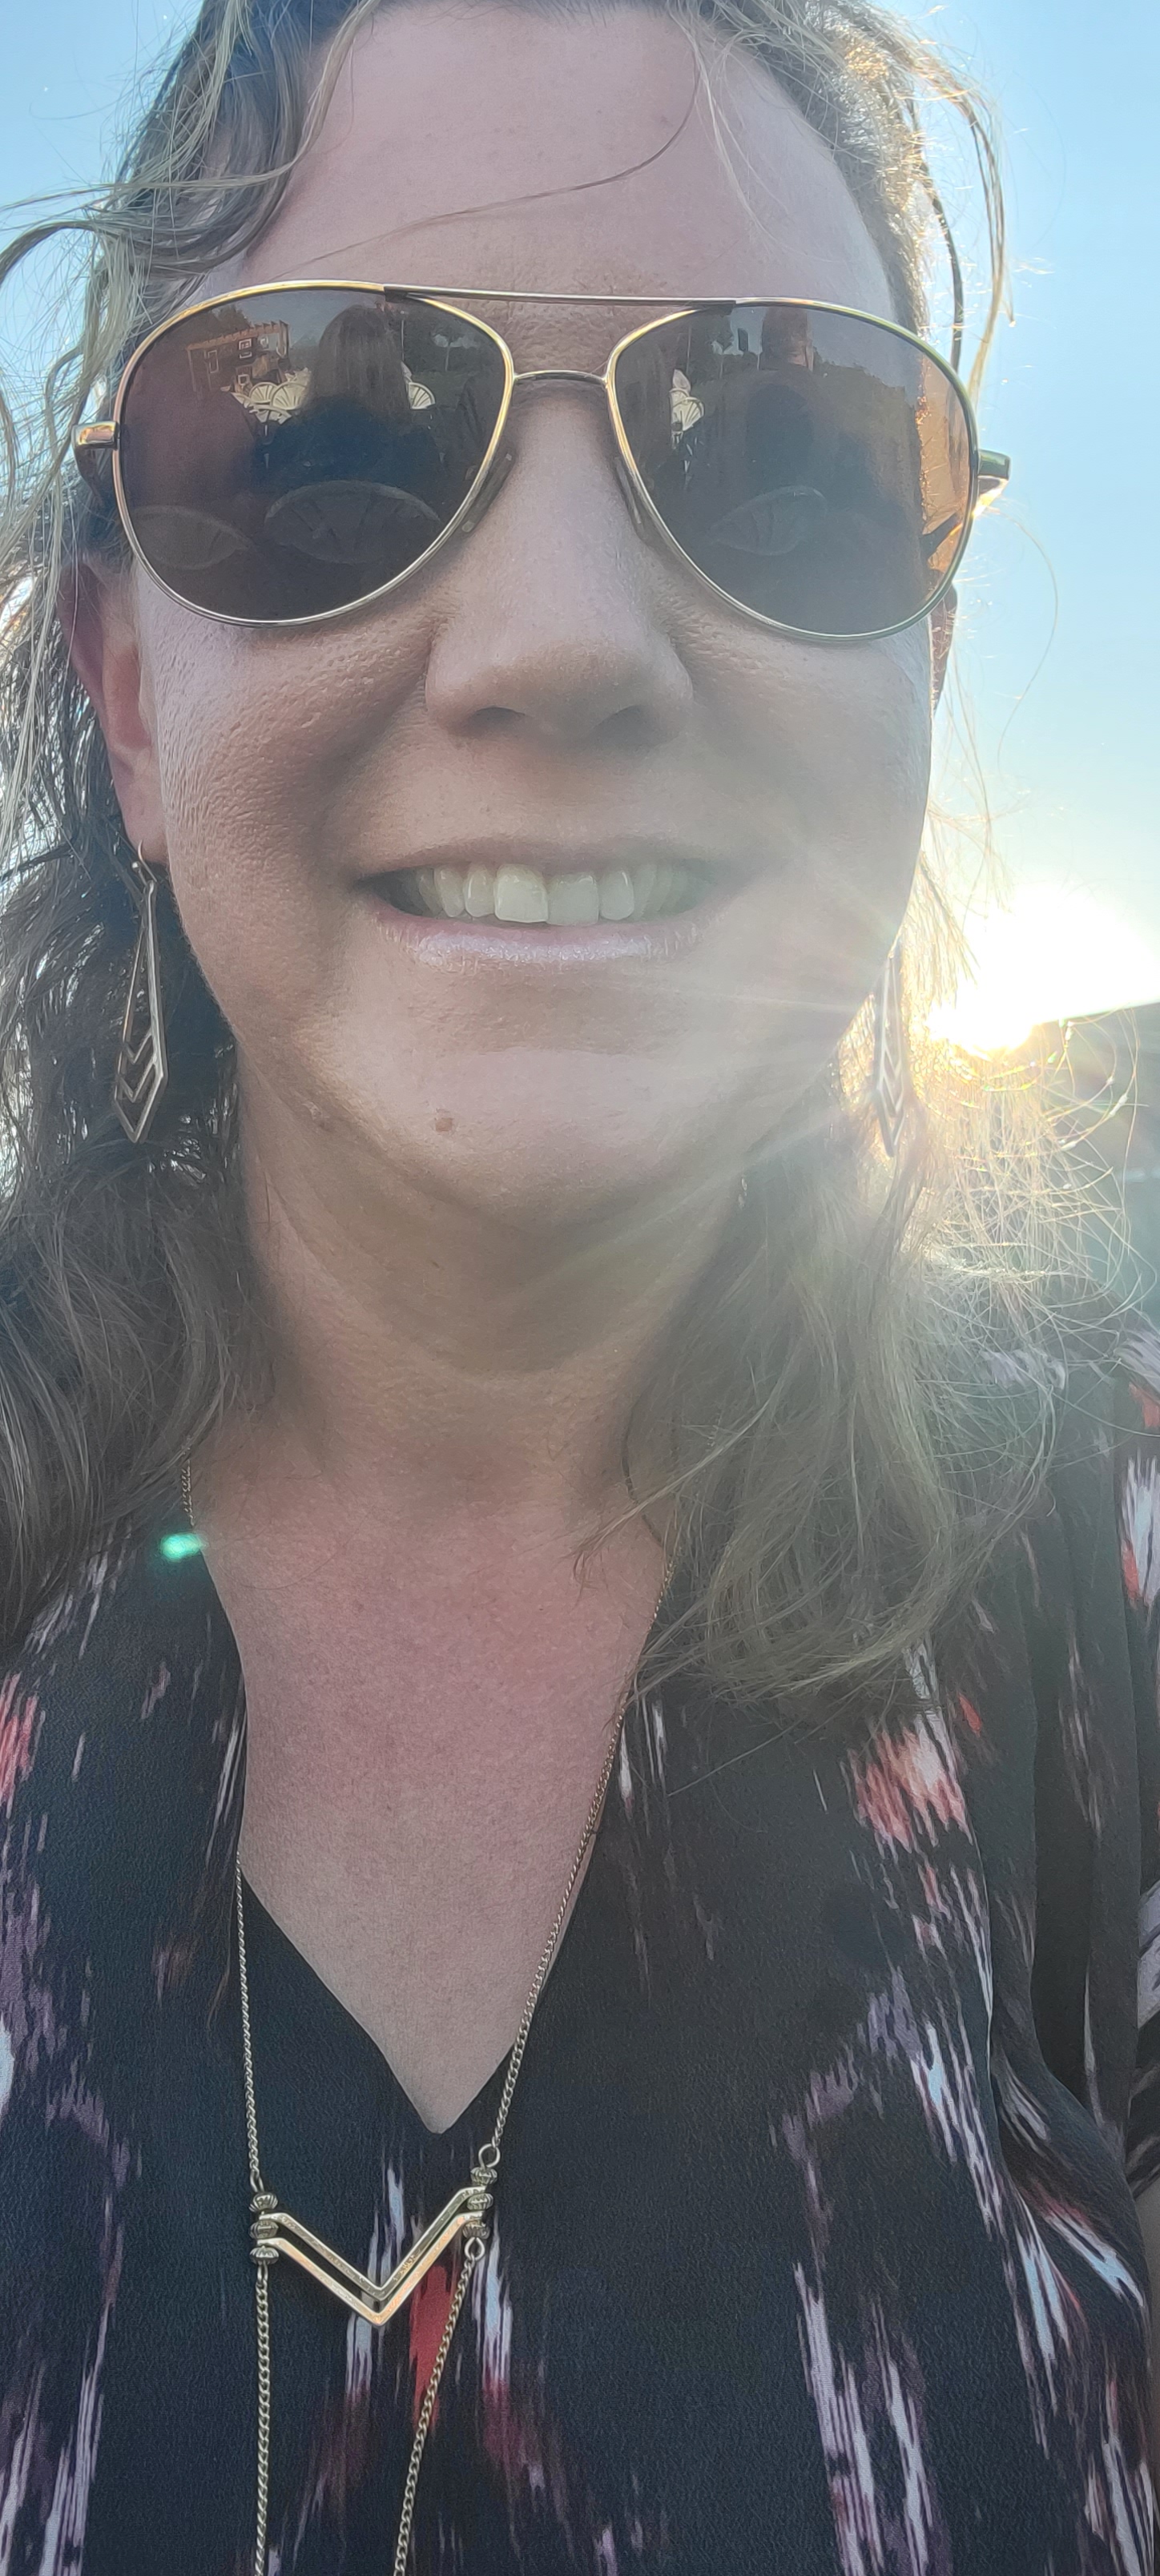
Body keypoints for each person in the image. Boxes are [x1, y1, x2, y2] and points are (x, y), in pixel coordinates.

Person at [0, 2, 1156, 2571]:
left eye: (788, 457)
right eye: (322, 440)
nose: (560, 645)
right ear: (130, 698)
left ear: (926, 671)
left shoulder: (1115, 1580)